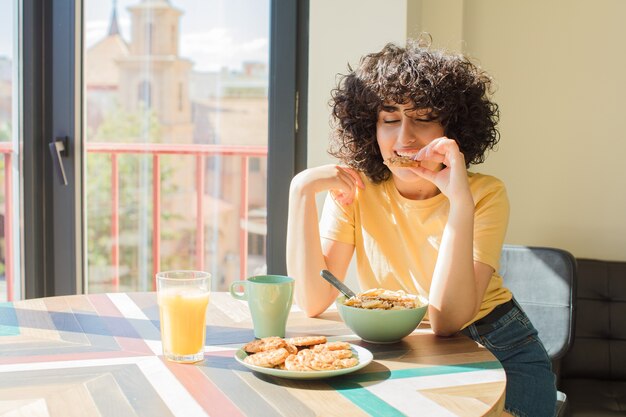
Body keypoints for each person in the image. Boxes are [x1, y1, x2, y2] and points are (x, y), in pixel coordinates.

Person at [286, 38, 557, 417]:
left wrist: (458, 202)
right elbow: (313, 300)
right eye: (390, 120)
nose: (405, 138)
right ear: (370, 128)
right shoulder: (357, 190)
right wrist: (300, 193)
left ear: (453, 128)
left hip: (496, 342)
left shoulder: (484, 193)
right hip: (405, 344)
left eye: (425, 118)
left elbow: (447, 319)